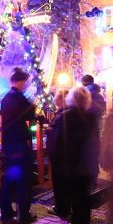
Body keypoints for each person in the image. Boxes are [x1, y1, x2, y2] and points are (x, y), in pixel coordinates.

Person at [49, 86, 97, 224]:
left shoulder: (66, 117)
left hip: (72, 164)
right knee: (85, 194)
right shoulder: (90, 116)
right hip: (88, 163)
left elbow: (58, 143)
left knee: (75, 194)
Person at [0, 67, 36, 223]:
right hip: (19, 144)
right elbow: (30, 114)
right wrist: (33, 105)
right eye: (25, 82)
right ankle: (24, 213)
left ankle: (6, 211)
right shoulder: (19, 98)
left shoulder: (6, 98)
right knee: (24, 180)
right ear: (21, 82)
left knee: (9, 178)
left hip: (9, 144)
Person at [48, 89, 70, 217]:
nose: (55, 99)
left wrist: (50, 130)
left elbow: (59, 136)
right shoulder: (63, 113)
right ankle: (62, 206)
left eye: (57, 97)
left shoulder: (63, 115)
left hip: (59, 155)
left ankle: (62, 208)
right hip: (61, 154)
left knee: (60, 182)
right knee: (62, 181)